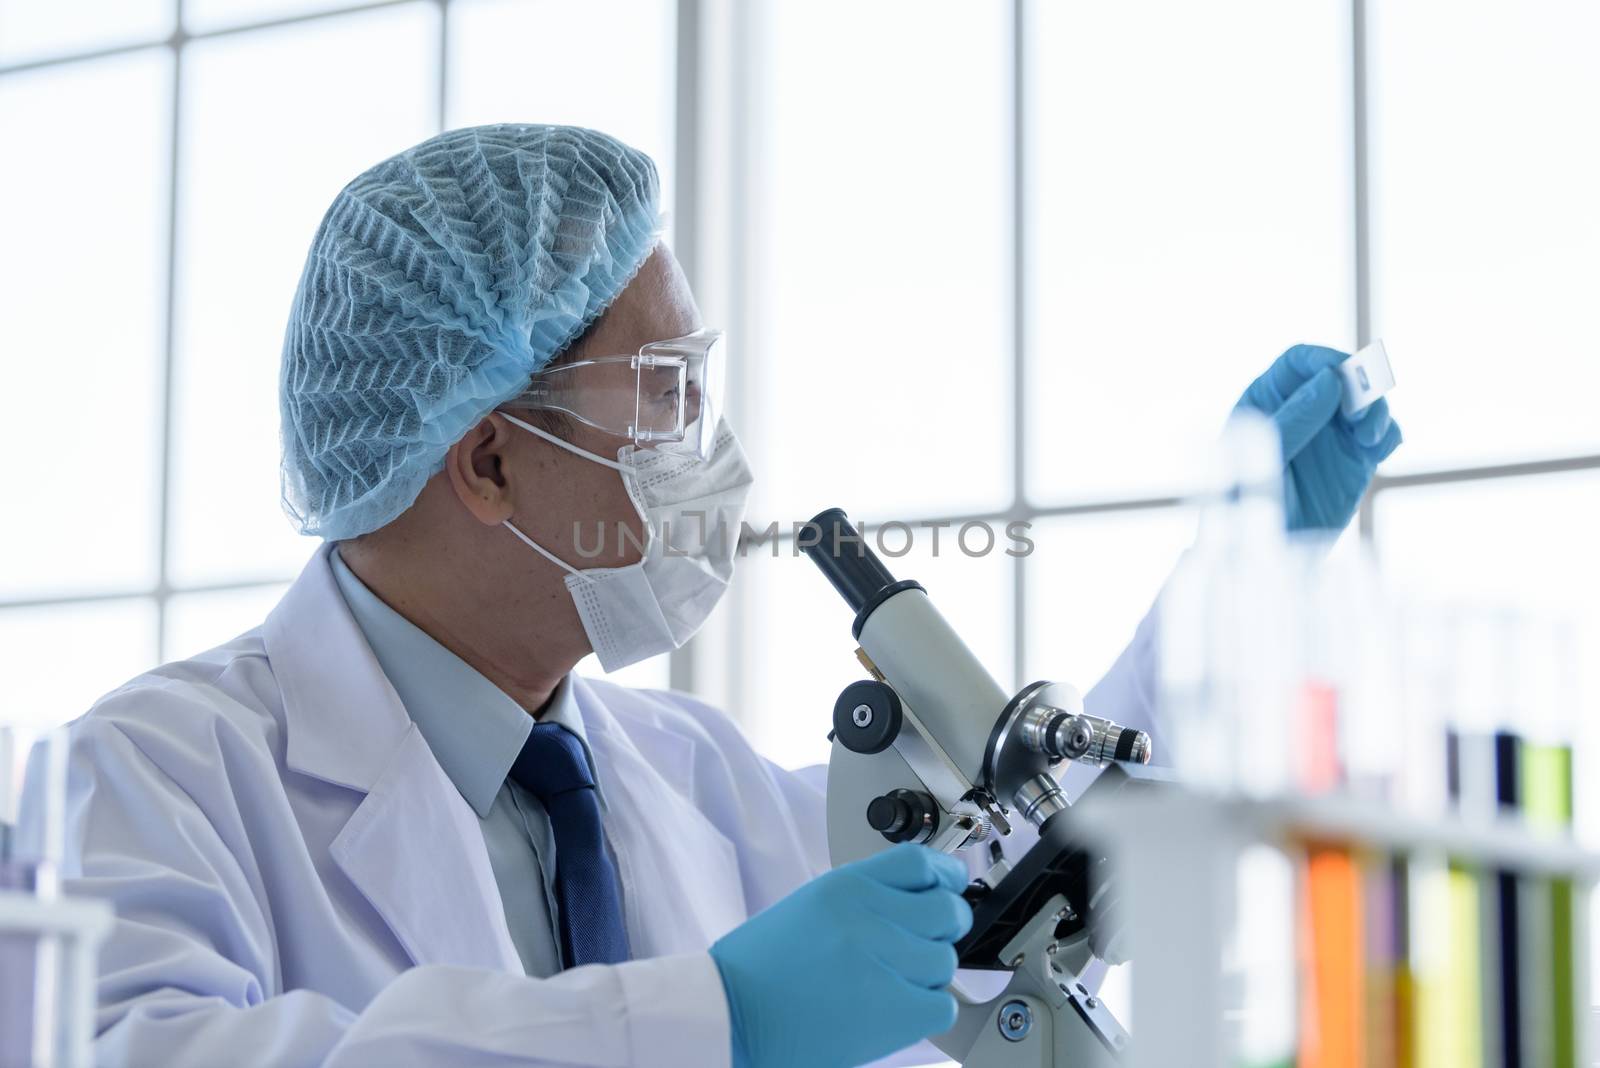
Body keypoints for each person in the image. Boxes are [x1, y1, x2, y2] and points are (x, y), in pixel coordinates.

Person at [40, 124, 1400, 1067]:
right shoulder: (150, 780)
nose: (714, 449)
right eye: (667, 395)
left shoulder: (688, 780)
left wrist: (1239, 577)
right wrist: (710, 1022)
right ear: (492, 459)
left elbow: (1018, 922)